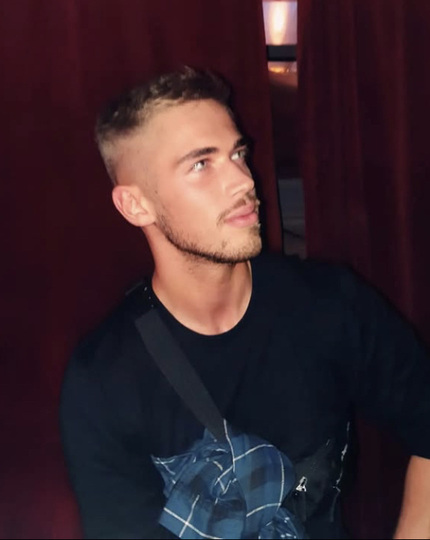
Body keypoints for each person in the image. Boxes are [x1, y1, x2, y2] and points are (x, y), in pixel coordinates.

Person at [60, 67, 430, 539]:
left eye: (238, 153)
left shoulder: (331, 304)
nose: (243, 180)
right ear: (135, 205)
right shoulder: (103, 381)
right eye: (202, 164)